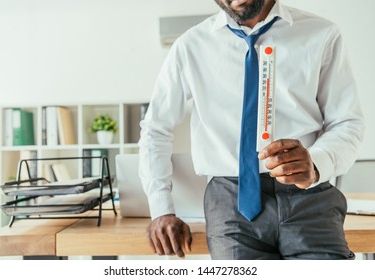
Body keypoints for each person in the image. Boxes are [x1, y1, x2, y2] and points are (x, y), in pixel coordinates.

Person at [138, 0, 365, 260]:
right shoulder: (190, 45)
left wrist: (315, 165)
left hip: (309, 195)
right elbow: (156, 128)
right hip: (230, 200)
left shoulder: (321, 34)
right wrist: (161, 209)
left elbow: (347, 122)